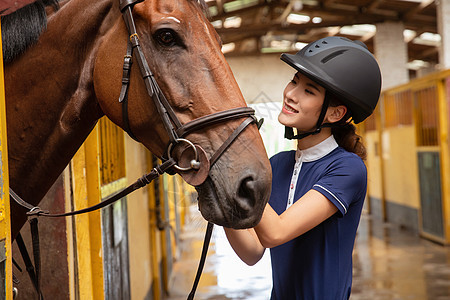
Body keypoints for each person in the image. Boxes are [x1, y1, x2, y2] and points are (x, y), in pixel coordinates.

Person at [224, 36, 382, 299]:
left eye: (308, 91)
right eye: (294, 81)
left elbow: (276, 233)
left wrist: (236, 172)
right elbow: (253, 252)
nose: (290, 94)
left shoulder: (347, 168)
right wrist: (220, 192)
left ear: (335, 114)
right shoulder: (278, 164)